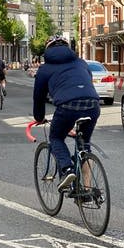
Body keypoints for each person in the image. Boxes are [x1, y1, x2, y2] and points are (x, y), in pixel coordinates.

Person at [32, 35, 100, 191]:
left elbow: (39, 96)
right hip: (93, 104)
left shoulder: (45, 69)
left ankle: (67, 170)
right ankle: (88, 190)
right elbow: (87, 81)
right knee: (85, 145)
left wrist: (39, 117)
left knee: (56, 137)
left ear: (47, 50)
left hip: (67, 107)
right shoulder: (81, 62)